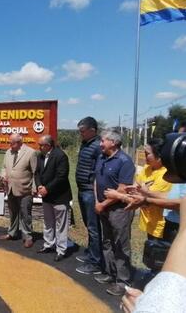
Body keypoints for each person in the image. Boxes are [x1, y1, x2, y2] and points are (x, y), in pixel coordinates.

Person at [121, 156, 186, 312]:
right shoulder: (181, 178)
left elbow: (180, 201)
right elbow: (175, 198)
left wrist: (154, 306)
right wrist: (152, 305)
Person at [92, 131, 136, 296]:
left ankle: (123, 281)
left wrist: (103, 204)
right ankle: (110, 274)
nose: (101, 144)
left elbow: (122, 189)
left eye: (103, 140)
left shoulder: (125, 161)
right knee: (107, 241)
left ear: (113, 142)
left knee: (120, 244)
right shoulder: (102, 157)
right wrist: (97, 202)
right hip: (102, 207)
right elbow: (97, 180)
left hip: (119, 210)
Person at [34, 135, 72, 261]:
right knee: (48, 221)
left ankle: (61, 250)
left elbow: (61, 177)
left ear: (48, 145)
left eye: (41, 145)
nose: (39, 147)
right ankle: (48, 244)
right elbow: (37, 173)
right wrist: (39, 186)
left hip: (59, 196)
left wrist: (47, 189)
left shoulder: (60, 156)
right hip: (46, 196)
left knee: (61, 224)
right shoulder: (40, 155)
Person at [74, 116, 104, 275]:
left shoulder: (99, 146)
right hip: (82, 189)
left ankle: (96, 262)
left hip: (90, 192)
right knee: (88, 225)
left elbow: (99, 170)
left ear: (92, 130)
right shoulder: (86, 144)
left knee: (94, 228)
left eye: (82, 131)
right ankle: (91, 252)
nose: (81, 134)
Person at [0, 134, 38, 248]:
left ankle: (28, 237)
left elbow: (35, 172)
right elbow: (4, 167)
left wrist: (35, 188)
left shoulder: (31, 152)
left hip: (25, 189)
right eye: (9, 143)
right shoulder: (8, 152)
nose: (9, 145)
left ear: (19, 142)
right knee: (13, 213)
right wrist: (3, 175)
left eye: (12, 143)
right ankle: (12, 233)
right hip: (10, 188)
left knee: (26, 214)